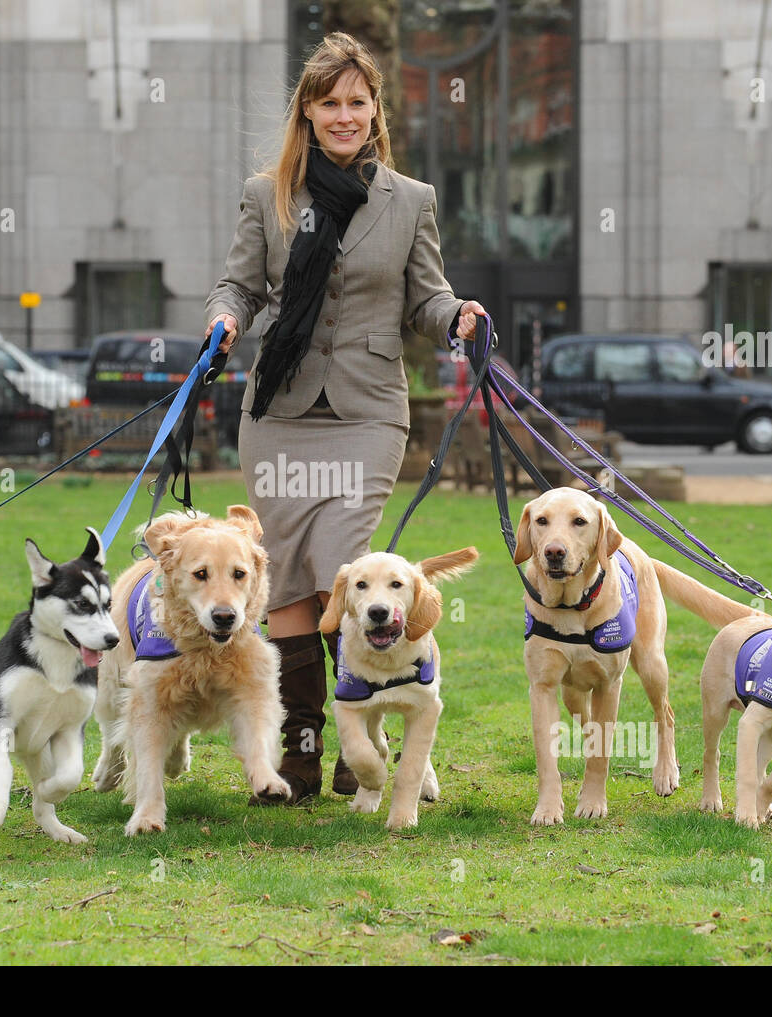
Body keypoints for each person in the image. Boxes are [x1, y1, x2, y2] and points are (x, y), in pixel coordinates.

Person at [204, 32, 485, 804]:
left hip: (366, 411)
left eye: (357, 102)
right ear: (308, 111)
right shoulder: (269, 196)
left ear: (374, 112)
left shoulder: (411, 200)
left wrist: (457, 314)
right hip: (281, 412)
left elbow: (424, 299)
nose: (344, 115)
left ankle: (361, 729)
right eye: (329, 102)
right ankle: (301, 750)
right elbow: (239, 287)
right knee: (290, 579)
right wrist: (224, 321)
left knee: (341, 569)